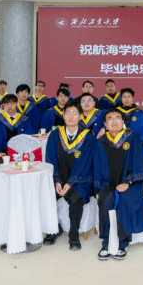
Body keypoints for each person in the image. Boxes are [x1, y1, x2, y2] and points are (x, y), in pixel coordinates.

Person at [94, 108, 143, 261]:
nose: (114, 121)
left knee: (125, 201)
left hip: (132, 183)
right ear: (105, 124)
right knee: (105, 200)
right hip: (108, 183)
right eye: (110, 119)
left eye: (117, 118)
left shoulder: (132, 138)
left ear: (123, 122)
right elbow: (97, 168)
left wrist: (127, 182)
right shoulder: (101, 142)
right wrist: (97, 189)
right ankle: (106, 242)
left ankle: (122, 243)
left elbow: (139, 164)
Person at [44, 101, 95, 251]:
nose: (71, 116)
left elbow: (85, 164)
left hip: (82, 180)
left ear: (80, 116)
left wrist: (70, 183)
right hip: (60, 178)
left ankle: (73, 236)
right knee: (45, 194)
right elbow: (51, 160)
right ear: (63, 115)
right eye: (68, 113)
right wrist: (57, 181)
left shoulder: (88, 137)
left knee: (76, 198)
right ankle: (54, 229)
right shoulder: (55, 135)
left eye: (75, 113)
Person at [118, 89, 143, 157]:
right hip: (118, 143)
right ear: (121, 99)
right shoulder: (115, 112)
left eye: (129, 97)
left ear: (132, 98)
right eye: (124, 97)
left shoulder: (140, 113)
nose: (126, 99)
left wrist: (139, 141)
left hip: (136, 143)